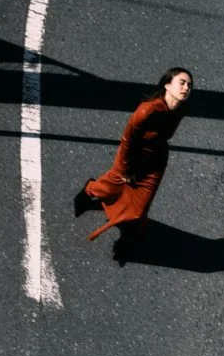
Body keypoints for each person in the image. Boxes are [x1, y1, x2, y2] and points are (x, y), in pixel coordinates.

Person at [74, 67, 193, 257]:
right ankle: (89, 190)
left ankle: (124, 243)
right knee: (110, 188)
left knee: (139, 209)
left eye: (189, 85)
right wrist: (126, 169)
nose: (186, 87)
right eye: (182, 82)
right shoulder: (147, 110)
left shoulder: (181, 109)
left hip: (155, 161)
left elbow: (166, 135)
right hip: (131, 155)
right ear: (167, 85)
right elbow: (128, 138)